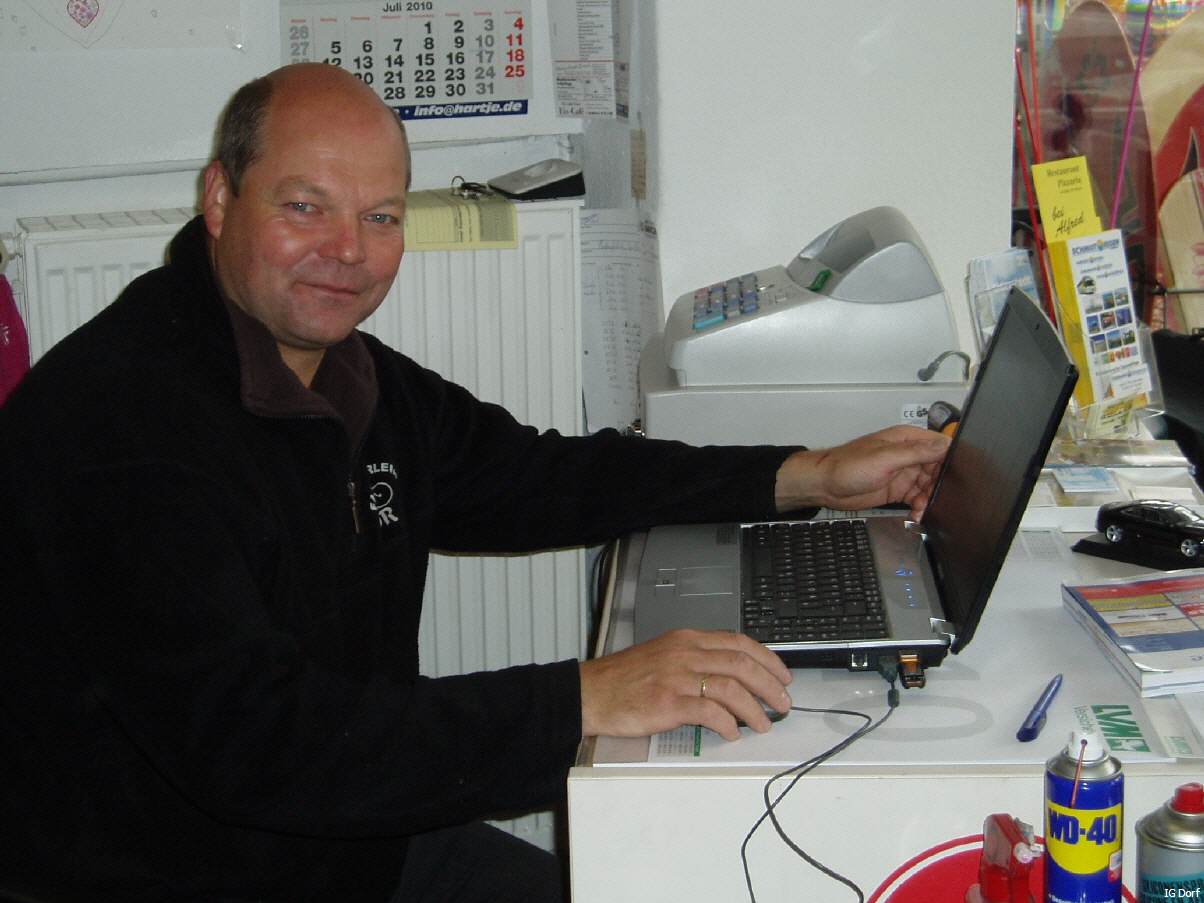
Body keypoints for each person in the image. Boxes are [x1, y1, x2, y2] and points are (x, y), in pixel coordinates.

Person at [0, 64, 949, 902]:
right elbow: (262, 741)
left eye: (379, 216)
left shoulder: (341, 375)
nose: (348, 249)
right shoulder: (122, 429)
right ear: (220, 197)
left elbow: (538, 473)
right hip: (178, 872)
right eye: (305, 207)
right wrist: (584, 699)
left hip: (343, 844)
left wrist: (805, 475)